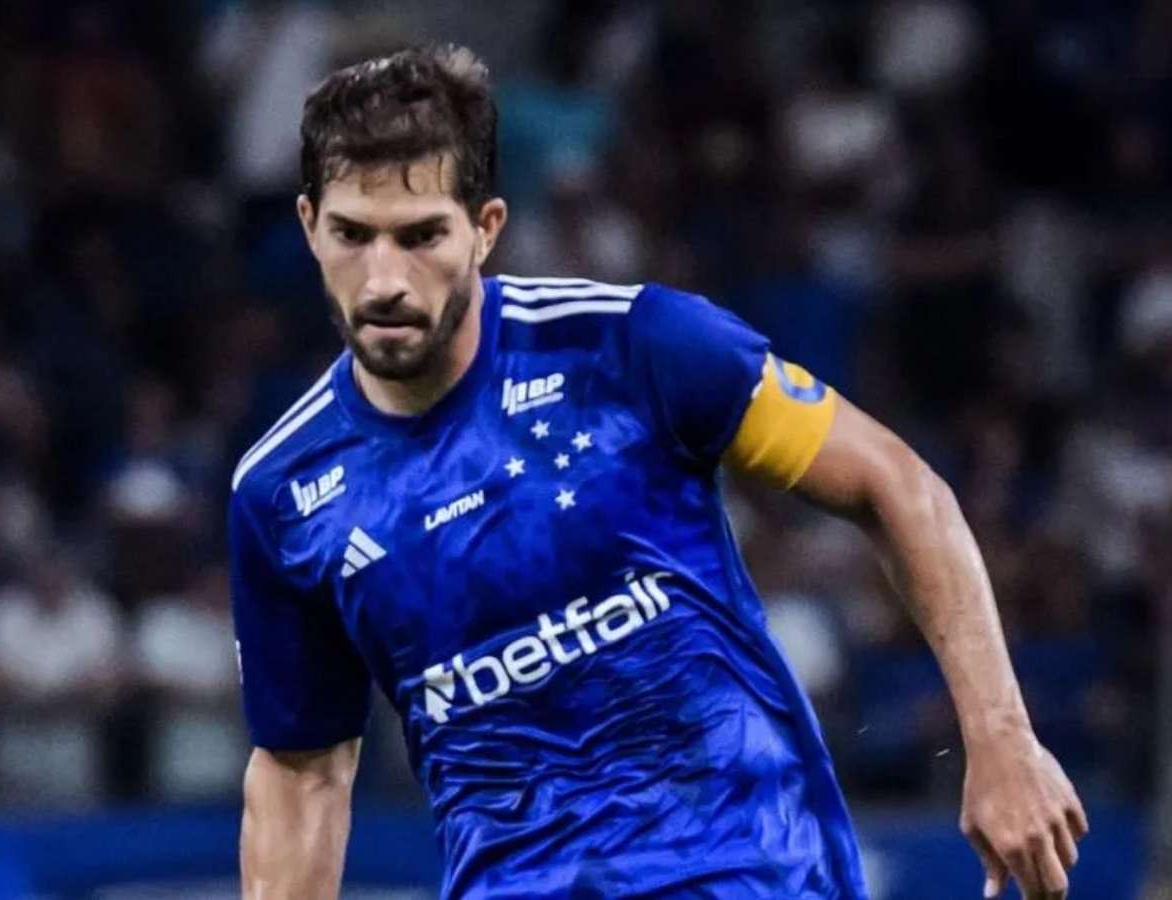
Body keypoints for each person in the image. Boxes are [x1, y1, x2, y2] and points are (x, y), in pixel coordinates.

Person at [228, 44, 1087, 900]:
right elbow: (301, 772)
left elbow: (894, 484)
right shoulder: (281, 494)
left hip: (754, 874)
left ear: (485, 228)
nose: (384, 280)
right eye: (352, 234)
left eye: (421, 236)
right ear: (308, 225)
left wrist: (1002, 741)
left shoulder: (634, 346)